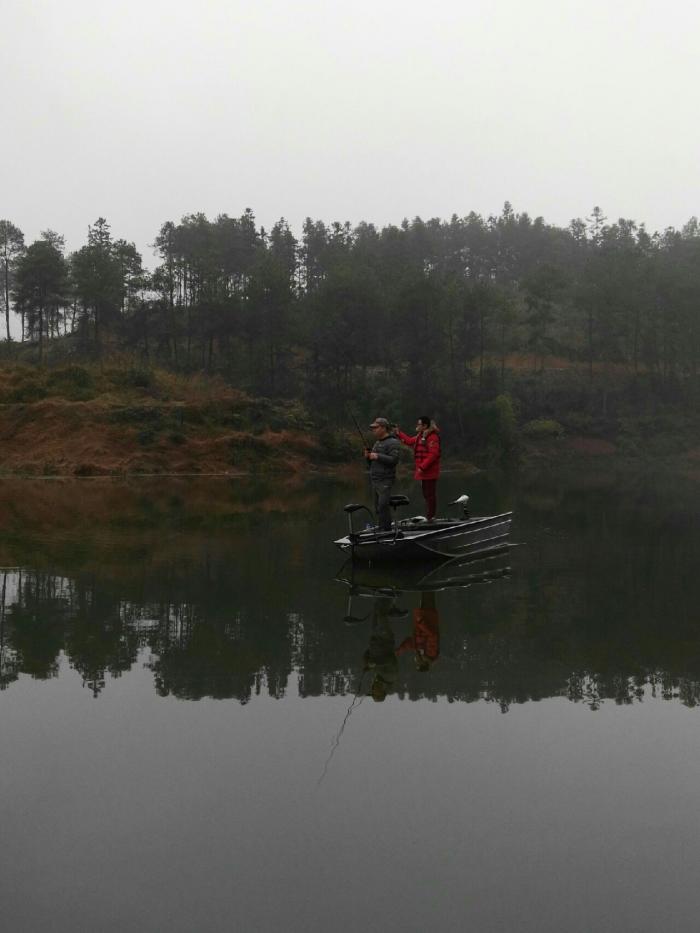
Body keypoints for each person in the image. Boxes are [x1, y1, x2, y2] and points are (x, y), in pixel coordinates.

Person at [396, 416, 441, 520]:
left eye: (419, 424)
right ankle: (430, 516)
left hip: (429, 471)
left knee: (430, 495)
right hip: (423, 471)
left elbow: (433, 454)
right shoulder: (420, 436)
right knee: (426, 494)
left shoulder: (432, 437)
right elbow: (409, 441)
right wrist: (398, 433)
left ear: (425, 425)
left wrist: (422, 467)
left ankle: (431, 516)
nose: (417, 426)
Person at [364, 417, 401, 531]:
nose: (373, 430)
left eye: (376, 427)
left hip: (385, 479)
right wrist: (368, 457)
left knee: (383, 505)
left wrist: (377, 456)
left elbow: (393, 460)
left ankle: (386, 530)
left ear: (384, 428)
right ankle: (382, 528)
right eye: (373, 428)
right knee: (378, 507)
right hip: (375, 479)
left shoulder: (393, 442)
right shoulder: (377, 443)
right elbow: (372, 463)